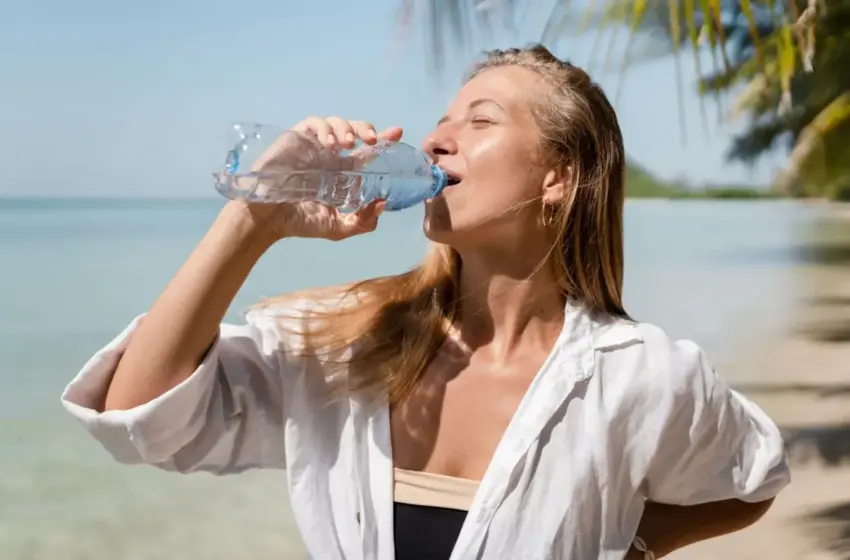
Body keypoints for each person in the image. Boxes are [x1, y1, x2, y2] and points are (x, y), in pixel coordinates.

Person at [60, 45, 790, 560]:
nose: (438, 139)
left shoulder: (640, 376)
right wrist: (257, 218)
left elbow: (754, 479)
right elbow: (138, 420)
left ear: (558, 175)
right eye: (443, 119)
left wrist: (636, 545)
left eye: (481, 121)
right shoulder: (348, 343)